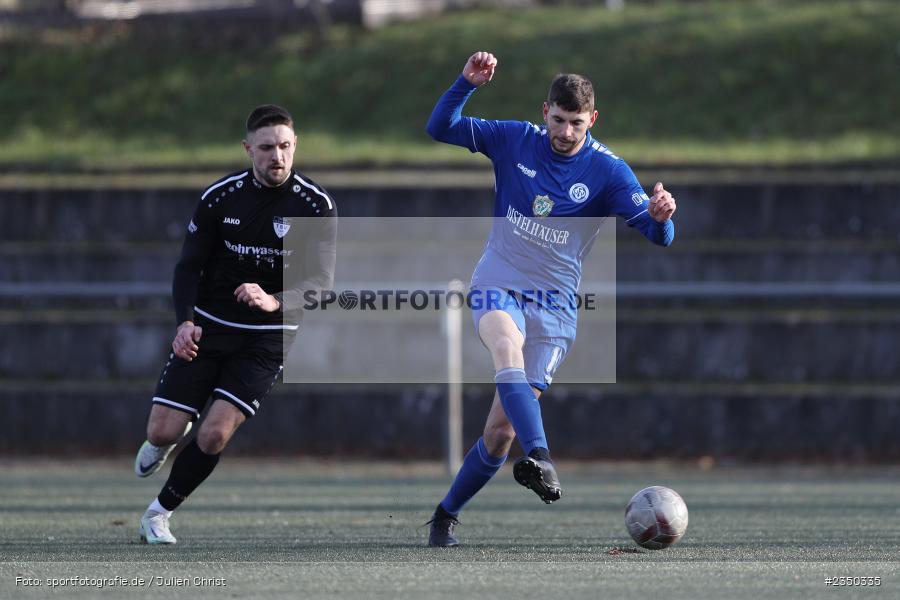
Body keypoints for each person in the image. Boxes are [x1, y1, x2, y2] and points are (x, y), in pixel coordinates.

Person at [424, 52, 676, 546]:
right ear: (545, 112)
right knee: (504, 347)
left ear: (592, 119)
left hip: (556, 306)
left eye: (575, 123)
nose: (564, 132)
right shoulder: (513, 138)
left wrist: (663, 216)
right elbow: (441, 127)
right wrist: (465, 84)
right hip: (499, 278)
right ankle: (541, 454)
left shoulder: (608, 171)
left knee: (498, 434)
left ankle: (444, 514)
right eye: (558, 120)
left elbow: (654, 233)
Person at [134, 104, 337, 544]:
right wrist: (183, 323)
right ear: (248, 149)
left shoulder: (314, 205)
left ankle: (158, 513)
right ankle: (164, 440)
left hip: (269, 336)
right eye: (266, 148)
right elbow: (188, 268)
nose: (277, 157)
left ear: (295, 144)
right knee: (162, 430)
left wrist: (273, 300)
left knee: (214, 433)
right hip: (209, 325)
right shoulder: (219, 197)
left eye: (285, 146)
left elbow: (320, 282)